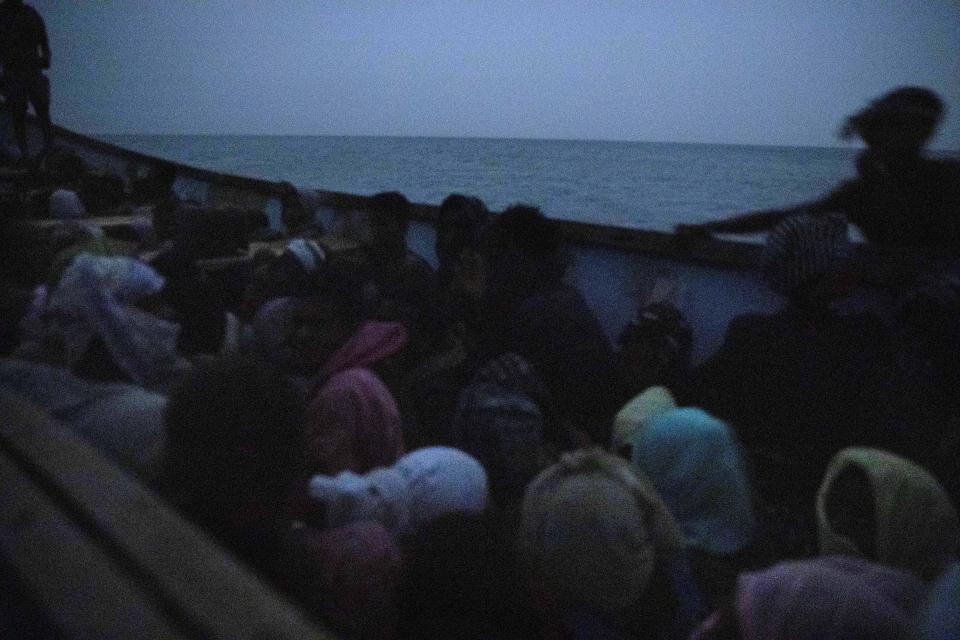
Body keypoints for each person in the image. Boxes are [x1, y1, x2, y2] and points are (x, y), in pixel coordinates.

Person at [677, 87, 960, 253]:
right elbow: (784, 218)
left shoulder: (869, 190)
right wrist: (710, 228)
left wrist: (710, 228)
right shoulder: (864, 192)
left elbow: (782, 218)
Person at [0, 0, 52, 161]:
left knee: (42, 109)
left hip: (32, 70)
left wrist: (45, 58)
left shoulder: (31, 14)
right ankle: (25, 153)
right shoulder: (2, 15)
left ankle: (48, 148)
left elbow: (44, 42)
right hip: (13, 72)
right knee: (17, 112)